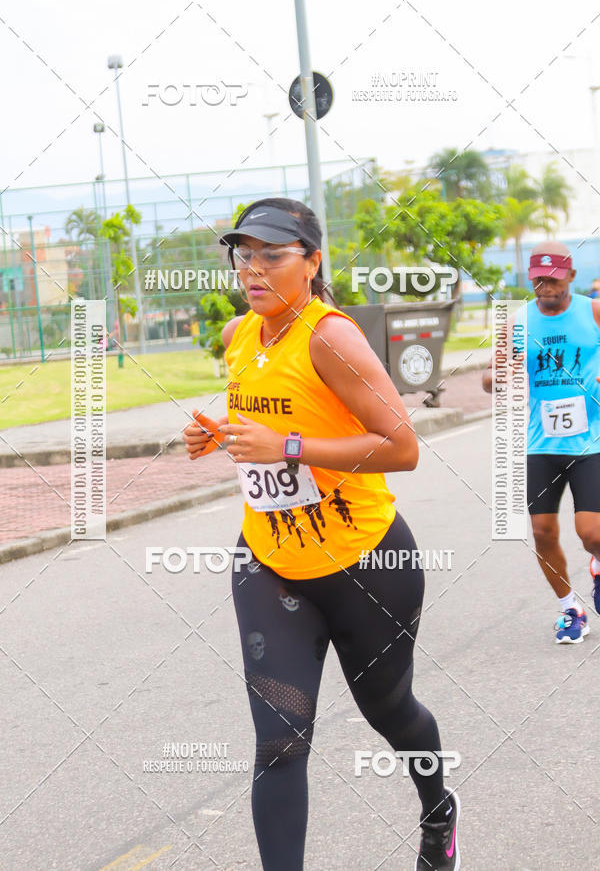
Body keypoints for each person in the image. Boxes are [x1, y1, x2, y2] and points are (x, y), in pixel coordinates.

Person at [184, 198, 461, 870]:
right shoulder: (239, 335)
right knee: (278, 742)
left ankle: (438, 811)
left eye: (272, 256)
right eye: (244, 255)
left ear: (311, 262)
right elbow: (271, 419)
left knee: (391, 713)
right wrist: (218, 434)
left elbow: (401, 446)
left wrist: (289, 445)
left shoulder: (330, 338)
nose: (253, 270)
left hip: (366, 563)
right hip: (270, 560)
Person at [482, 240, 600, 642]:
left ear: (571, 276)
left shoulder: (593, 311)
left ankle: (597, 565)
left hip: (591, 442)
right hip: (540, 444)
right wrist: (502, 376)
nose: (545, 287)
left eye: (553, 279)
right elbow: (488, 377)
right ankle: (570, 609)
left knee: (592, 533)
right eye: (538, 280)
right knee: (543, 532)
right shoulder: (517, 323)